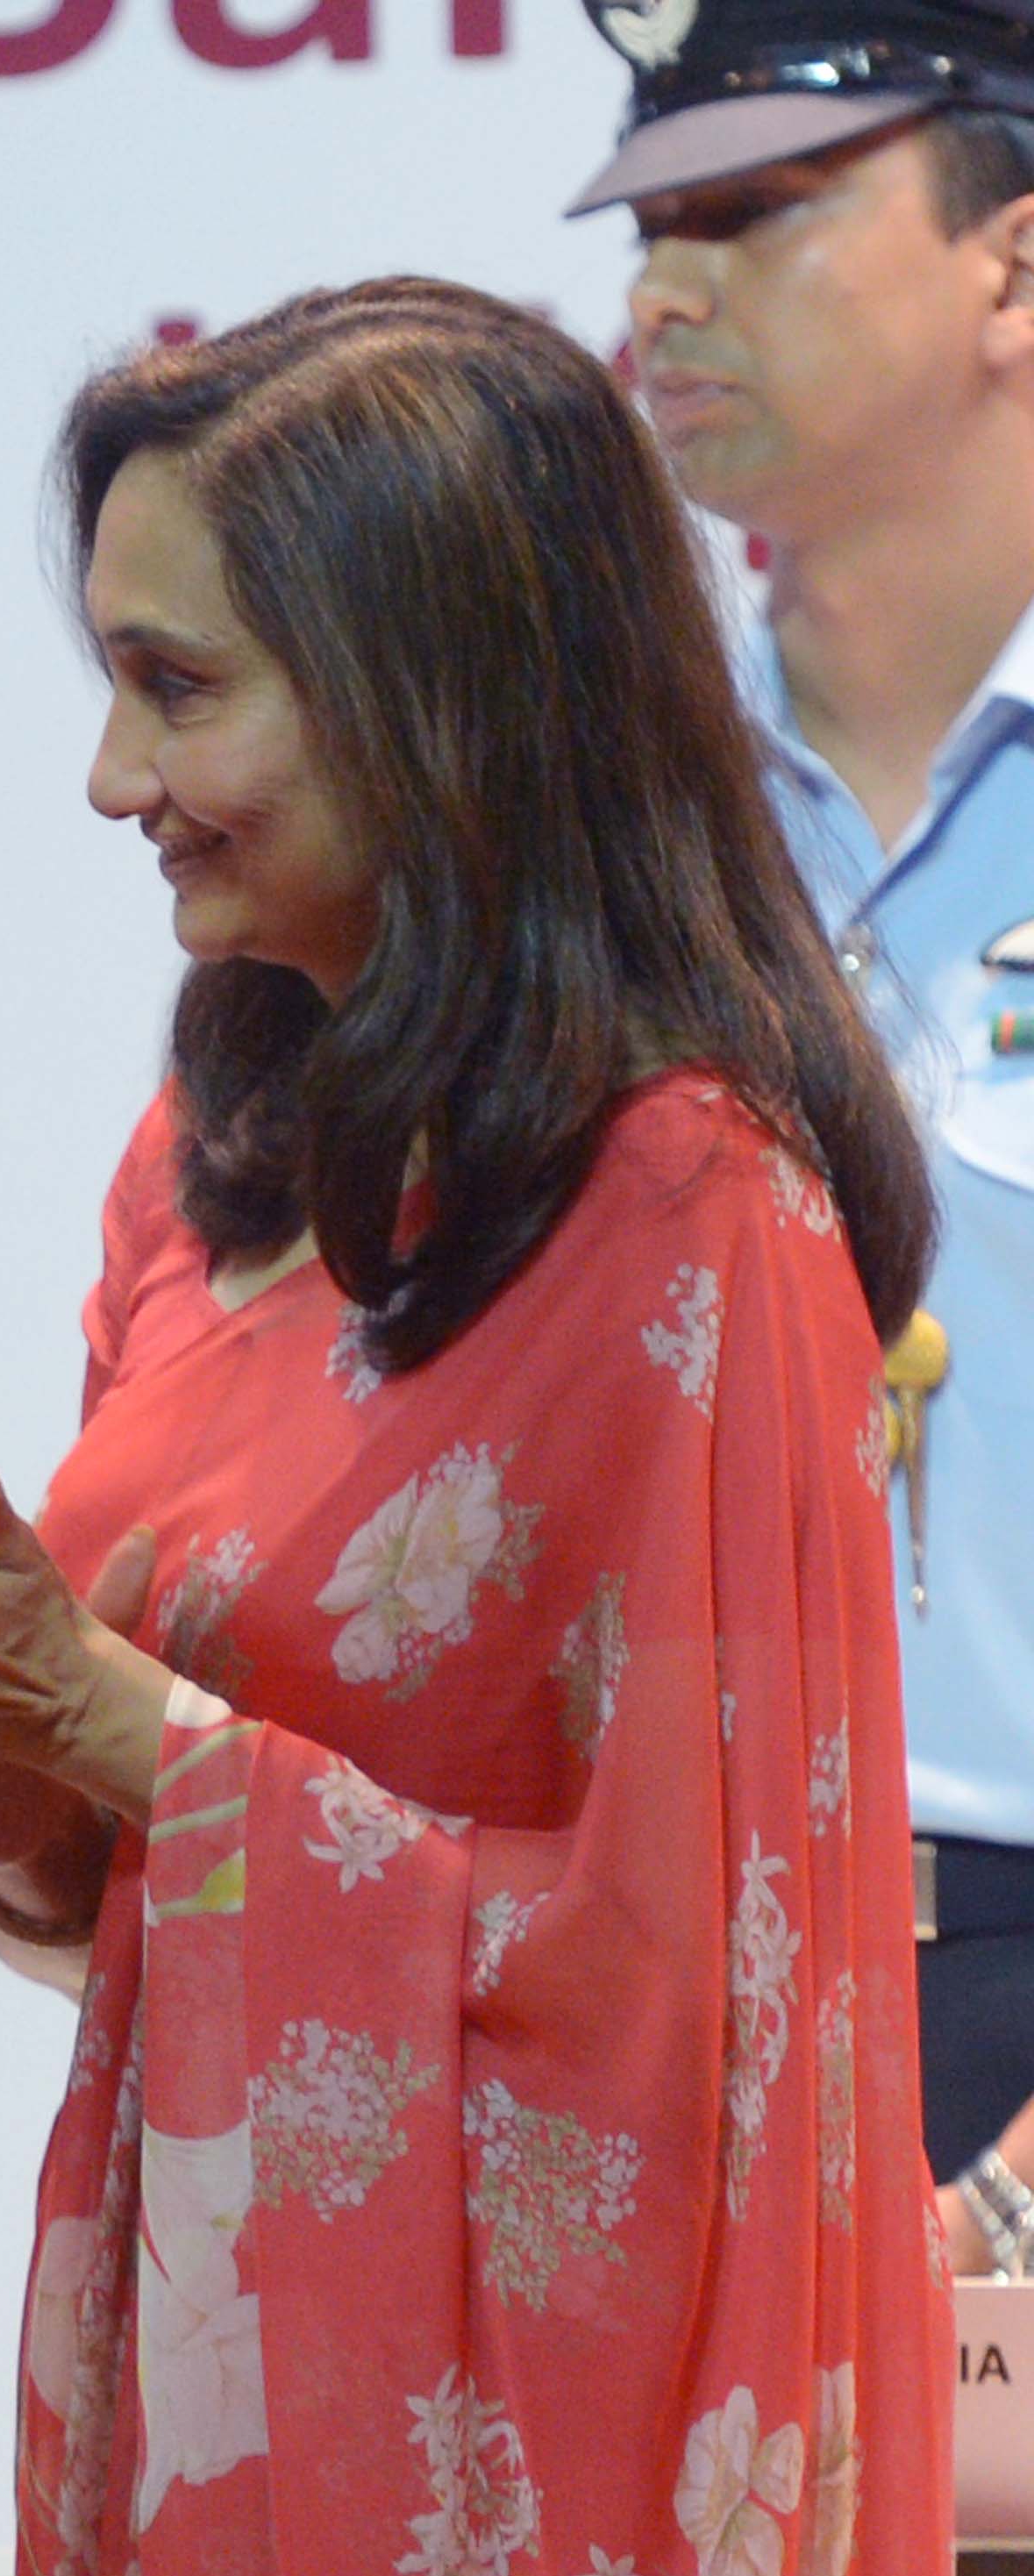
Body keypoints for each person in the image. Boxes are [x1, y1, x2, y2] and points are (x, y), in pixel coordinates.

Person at [0, 285, 954, 2576]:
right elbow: (149, 1837)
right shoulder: (214, 1168)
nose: (107, 776)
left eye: (179, 688)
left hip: (529, 2520)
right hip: (218, 2372)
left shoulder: (699, 1221)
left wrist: (131, 1742)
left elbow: (675, 2031)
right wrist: (10, 1774)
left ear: (433, 695)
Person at [566, 0, 1034, 2281]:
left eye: (755, 218)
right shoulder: (580, 827)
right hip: (657, 2003)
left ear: (1014, 268)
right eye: (654, 228)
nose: (666, 295)